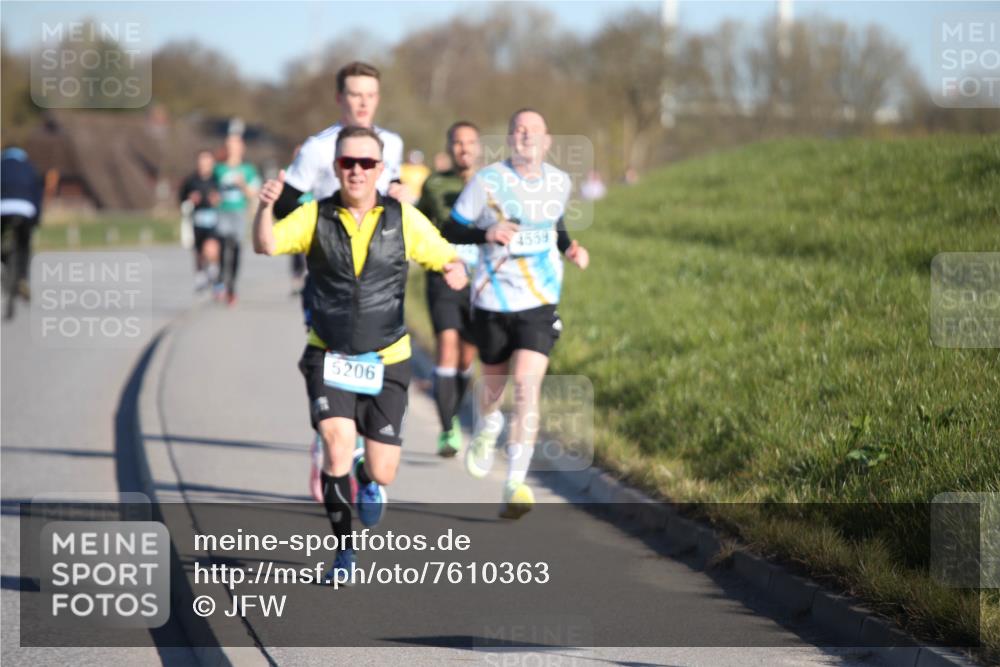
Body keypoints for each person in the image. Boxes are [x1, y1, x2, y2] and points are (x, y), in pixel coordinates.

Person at [253, 126, 468, 578]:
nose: (356, 171)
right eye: (347, 163)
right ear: (335, 168)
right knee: (335, 447)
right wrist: (264, 206)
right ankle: (345, 552)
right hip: (328, 354)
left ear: (381, 169)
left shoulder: (403, 219)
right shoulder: (315, 217)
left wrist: (455, 270)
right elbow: (267, 244)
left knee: (382, 469)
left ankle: (369, 481)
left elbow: (445, 254)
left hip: (387, 358)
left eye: (366, 163)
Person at [441, 109, 590, 519]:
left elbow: (553, 225)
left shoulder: (559, 181)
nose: (525, 136)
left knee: (525, 387)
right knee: (493, 390)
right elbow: (451, 229)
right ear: (510, 138)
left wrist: (569, 248)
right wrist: (486, 233)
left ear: (546, 142)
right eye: (518, 129)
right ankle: (487, 428)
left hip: (539, 302)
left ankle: (515, 482)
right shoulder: (486, 181)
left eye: (534, 131)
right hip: (492, 301)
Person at [270, 61, 406, 503]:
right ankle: (330, 439)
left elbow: (398, 200)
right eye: (354, 94)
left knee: (374, 357)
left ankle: (360, 449)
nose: (362, 102)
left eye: (370, 94)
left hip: (381, 282)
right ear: (339, 99)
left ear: (378, 99)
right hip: (329, 283)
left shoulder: (394, 144)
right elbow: (282, 209)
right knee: (335, 358)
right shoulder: (316, 149)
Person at [416, 121, 482, 457]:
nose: (464, 149)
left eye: (470, 142)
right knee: (447, 344)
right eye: (457, 142)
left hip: (479, 280)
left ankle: (453, 410)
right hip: (442, 276)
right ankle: (447, 429)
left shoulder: (493, 184)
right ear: (449, 147)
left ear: (479, 147)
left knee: (467, 355)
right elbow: (417, 222)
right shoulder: (434, 184)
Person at [213, 133, 260, 306]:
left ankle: (231, 286)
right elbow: (210, 190)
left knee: (237, 248)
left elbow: (253, 193)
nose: (232, 149)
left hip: (239, 212)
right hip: (222, 212)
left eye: (235, 145)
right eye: (229, 145)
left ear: (242, 148)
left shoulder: (248, 169)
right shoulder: (218, 169)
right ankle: (221, 278)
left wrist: (242, 184)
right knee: (224, 244)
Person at [1, 147, 43, 320]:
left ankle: (4, 260)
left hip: (2, 209)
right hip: (25, 210)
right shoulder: (30, 168)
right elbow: (37, 197)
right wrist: (36, 220)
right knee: (24, 245)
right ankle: (23, 278)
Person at [178, 149, 222, 292]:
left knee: (211, 247)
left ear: (211, 163)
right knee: (198, 251)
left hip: (212, 219)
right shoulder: (191, 181)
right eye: (201, 162)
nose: (204, 165)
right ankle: (201, 275)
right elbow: (181, 200)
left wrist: (217, 200)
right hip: (196, 219)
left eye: (207, 162)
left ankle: (214, 272)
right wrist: (190, 200)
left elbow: (222, 197)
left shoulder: (216, 179)